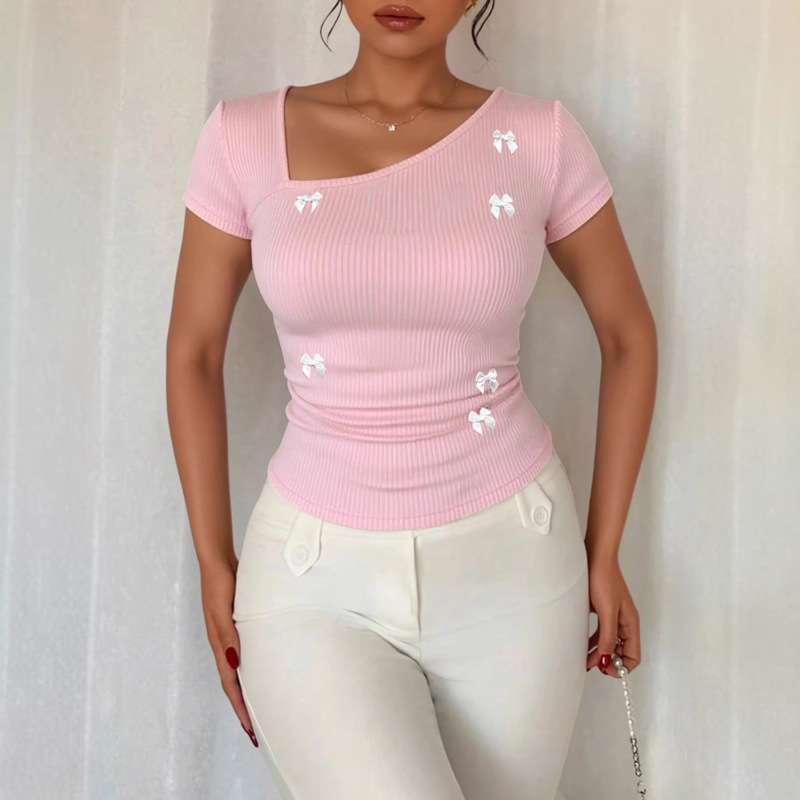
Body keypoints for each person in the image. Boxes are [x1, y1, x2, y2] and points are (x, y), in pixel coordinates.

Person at [166, 1, 656, 798]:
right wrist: (211, 559)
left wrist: (604, 550)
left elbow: (628, 334)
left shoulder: (540, 138)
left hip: (516, 571)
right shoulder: (242, 138)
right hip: (313, 581)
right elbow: (194, 351)